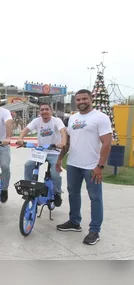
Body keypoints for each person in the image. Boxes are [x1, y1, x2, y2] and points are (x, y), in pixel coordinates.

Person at [56, 89, 112, 246]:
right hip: (73, 164)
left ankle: (95, 230)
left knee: (95, 198)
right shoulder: (73, 118)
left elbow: (107, 143)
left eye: (84, 99)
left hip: (92, 166)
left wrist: (100, 166)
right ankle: (74, 222)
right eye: (78, 100)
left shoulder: (100, 118)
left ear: (91, 98)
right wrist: (60, 158)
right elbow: (68, 142)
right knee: (73, 193)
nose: (81, 102)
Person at [16, 103, 67, 207]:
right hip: (41, 151)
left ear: (51, 110)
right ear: (40, 112)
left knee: (55, 174)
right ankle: (29, 188)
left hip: (54, 151)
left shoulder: (56, 121)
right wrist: (21, 138)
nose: (44, 111)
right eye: (42, 109)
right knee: (28, 165)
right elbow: (25, 130)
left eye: (47, 109)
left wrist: (63, 143)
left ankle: (57, 193)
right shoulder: (37, 121)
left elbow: (63, 131)